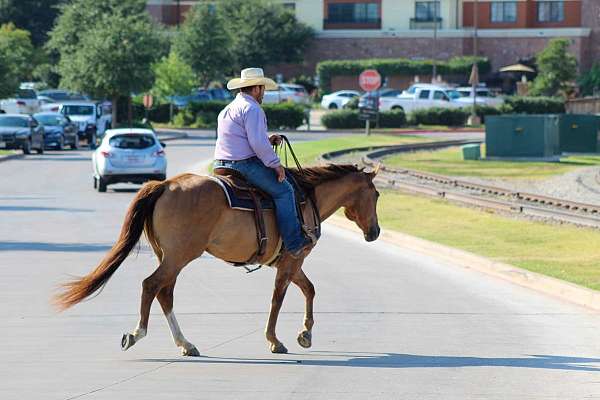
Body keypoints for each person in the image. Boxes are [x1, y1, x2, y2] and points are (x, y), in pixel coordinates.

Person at [213, 68, 313, 258]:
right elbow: (256, 143)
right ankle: (294, 243)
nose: (264, 93)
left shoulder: (228, 109)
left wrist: (268, 140)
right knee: (284, 191)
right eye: (263, 89)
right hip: (243, 165)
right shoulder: (252, 109)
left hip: (220, 163)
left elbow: (243, 138)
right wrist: (275, 164)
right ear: (257, 88)